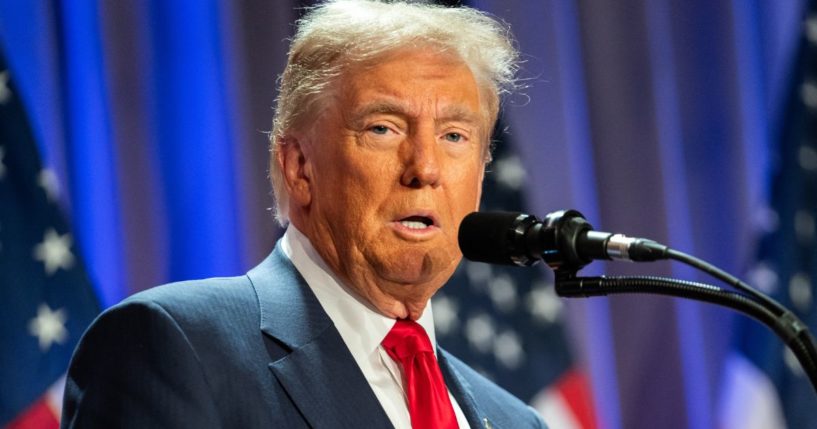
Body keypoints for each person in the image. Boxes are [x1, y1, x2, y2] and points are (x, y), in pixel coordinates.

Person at [61, 1, 548, 428]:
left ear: (481, 177)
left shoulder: (514, 421)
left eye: (454, 136)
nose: (424, 167)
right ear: (299, 167)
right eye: (383, 128)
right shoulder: (172, 349)